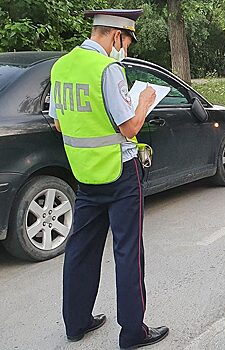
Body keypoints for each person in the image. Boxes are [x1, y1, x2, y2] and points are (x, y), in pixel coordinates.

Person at [49, 9, 169, 349]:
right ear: (116, 36)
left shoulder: (62, 67)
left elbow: (58, 123)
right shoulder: (107, 69)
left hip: (85, 175)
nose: (125, 51)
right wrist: (144, 102)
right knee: (128, 251)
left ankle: (76, 322)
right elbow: (129, 127)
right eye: (126, 43)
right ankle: (133, 332)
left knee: (80, 249)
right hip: (120, 174)